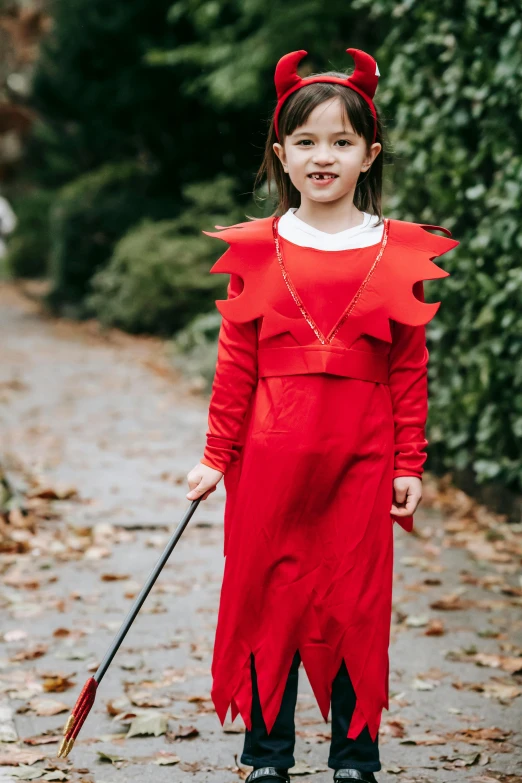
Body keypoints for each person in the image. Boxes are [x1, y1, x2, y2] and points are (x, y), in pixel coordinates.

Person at [186, 47, 459, 783]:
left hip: (362, 456)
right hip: (268, 455)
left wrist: (409, 463)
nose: (323, 156)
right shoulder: (257, 247)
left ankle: (354, 756)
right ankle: (269, 755)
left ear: (370, 154)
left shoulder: (396, 251)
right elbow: (236, 360)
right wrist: (215, 456)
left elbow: (408, 369)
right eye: (306, 141)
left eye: (341, 142)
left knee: (353, 599)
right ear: (281, 153)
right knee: (267, 592)